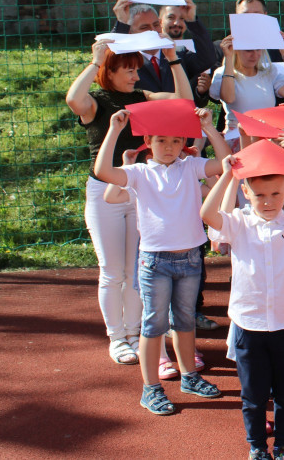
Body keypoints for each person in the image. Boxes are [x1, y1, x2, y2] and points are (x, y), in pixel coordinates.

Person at [65, 39, 193, 365]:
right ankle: (117, 337)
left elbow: (183, 102)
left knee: (134, 269)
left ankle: (135, 334)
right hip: (103, 192)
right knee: (112, 271)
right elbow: (73, 99)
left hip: (138, 189)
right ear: (109, 71)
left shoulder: (142, 99)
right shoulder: (95, 103)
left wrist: (173, 60)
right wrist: (95, 61)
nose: (136, 76)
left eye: (137, 69)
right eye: (129, 70)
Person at [93, 105, 228, 415]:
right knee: (154, 324)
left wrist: (209, 128)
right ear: (149, 141)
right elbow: (103, 172)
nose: (169, 148)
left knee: (184, 320)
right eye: (162, 141)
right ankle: (151, 388)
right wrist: (114, 130)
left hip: (191, 259)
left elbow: (223, 164)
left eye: (176, 142)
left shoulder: (191, 167)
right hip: (154, 261)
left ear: (184, 144)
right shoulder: (140, 173)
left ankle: (189, 377)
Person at [201, 150, 284, 460]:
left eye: (275, 193)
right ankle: (258, 447)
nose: (268, 201)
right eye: (259, 194)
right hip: (249, 326)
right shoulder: (238, 222)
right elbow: (208, 215)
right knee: (253, 396)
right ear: (245, 193)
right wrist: (226, 176)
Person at [110, 0, 216, 96]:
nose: (153, 30)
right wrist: (121, 25)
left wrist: (192, 21)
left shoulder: (178, 54)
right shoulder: (126, 59)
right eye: (144, 27)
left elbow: (207, 59)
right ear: (130, 32)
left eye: (156, 25)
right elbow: (109, 61)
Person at [210, 31, 284, 132]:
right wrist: (228, 58)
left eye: (258, 49)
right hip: (238, 135)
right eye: (248, 50)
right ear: (236, 50)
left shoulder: (269, 71)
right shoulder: (223, 72)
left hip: (266, 132)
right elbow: (229, 98)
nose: (255, 55)